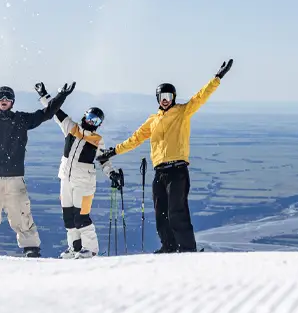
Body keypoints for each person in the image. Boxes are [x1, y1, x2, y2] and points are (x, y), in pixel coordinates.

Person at [98, 59, 232, 253]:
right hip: (159, 172)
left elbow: (200, 97)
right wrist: (113, 151)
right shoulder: (152, 120)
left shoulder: (182, 112)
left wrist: (217, 78)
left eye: (169, 96)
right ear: (157, 98)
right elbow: (135, 139)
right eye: (162, 96)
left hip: (178, 170)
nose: (165, 99)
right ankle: (168, 246)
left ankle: (187, 248)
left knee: (177, 211)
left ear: (174, 97)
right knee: (161, 213)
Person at [0, 60, 75, 257]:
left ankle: (31, 249)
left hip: (15, 179)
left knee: (22, 215)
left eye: (8, 97)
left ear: (13, 102)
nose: (4, 99)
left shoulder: (21, 120)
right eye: (1, 97)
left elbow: (46, 113)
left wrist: (61, 96)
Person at [35, 82, 123, 259]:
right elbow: (56, 111)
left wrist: (111, 173)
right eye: (90, 117)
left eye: (96, 120)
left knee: (81, 216)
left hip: (85, 182)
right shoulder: (71, 127)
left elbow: (104, 160)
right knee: (68, 217)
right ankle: (75, 248)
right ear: (85, 116)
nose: (91, 121)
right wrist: (44, 94)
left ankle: (90, 249)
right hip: (66, 179)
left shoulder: (98, 140)